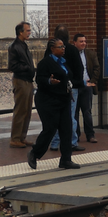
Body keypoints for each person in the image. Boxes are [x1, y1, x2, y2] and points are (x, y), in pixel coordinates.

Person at [27, 38, 79, 170]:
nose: (63, 49)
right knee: (50, 128)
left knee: (66, 129)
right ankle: (35, 153)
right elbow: (39, 79)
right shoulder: (45, 63)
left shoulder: (63, 62)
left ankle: (66, 160)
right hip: (48, 101)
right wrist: (49, 81)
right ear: (52, 49)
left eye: (63, 46)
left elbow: (68, 77)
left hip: (63, 99)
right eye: (60, 47)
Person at [50, 25, 86, 153]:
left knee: (56, 115)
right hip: (71, 87)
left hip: (55, 87)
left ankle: (55, 142)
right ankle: (72, 142)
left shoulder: (50, 50)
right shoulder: (72, 50)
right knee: (70, 116)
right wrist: (77, 83)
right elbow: (79, 69)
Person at [7, 20, 35, 148]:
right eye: (27, 30)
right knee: (20, 110)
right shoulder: (14, 47)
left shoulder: (23, 46)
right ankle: (15, 138)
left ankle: (22, 137)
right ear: (20, 32)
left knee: (27, 110)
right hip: (21, 80)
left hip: (28, 81)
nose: (29, 33)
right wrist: (27, 68)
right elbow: (12, 66)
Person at [72, 33, 100, 143]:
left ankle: (90, 135)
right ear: (75, 43)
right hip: (75, 87)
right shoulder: (71, 55)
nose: (83, 43)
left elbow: (97, 68)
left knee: (87, 111)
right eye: (81, 41)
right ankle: (76, 135)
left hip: (87, 87)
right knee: (74, 113)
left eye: (84, 41)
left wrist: (92, 81)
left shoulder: (90, 54)